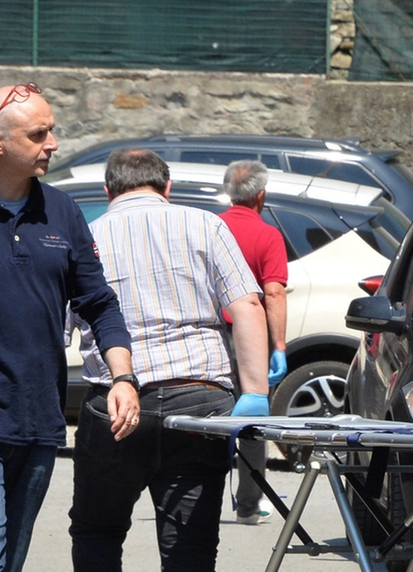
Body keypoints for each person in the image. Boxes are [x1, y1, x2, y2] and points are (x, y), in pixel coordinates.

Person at [0, 83, 136, 572]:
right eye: (39, 133)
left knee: (6, 563)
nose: (53, 143)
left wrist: (123, 378)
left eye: (52, 130)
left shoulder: (62, 212)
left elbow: (99, 303)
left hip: (39, 420)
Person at [67, 148, 269, 572]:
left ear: (108, 190)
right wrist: (255, 393)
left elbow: (58, 327)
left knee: (97, 532)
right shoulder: (205, 225)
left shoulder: (87, 238)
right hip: (199, 399)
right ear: (168, 187)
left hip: (115, 401)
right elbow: (248, 305)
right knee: (190, 548)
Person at [219, 160, 290, 525]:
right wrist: (279, 345)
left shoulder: (210, 227)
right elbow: (273, 293)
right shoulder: (268, 236)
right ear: (261, 195)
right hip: (250, 338)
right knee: (252, 420)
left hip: (211, 333)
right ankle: (248, 505)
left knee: (208, 416)